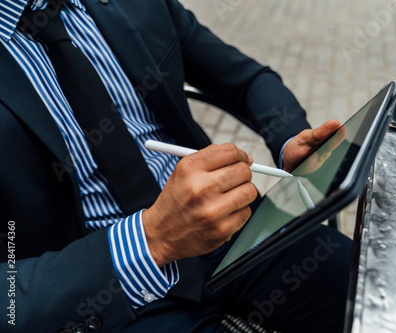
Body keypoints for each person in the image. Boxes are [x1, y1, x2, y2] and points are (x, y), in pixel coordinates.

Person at [0, 0, 352, 332]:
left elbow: (247, 80)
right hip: (96, 286)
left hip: (231, 228)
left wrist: (290, 140)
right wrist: (149, 240)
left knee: (369, 287)